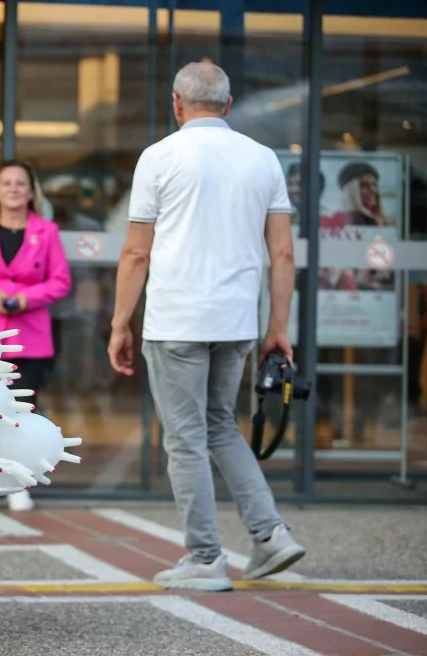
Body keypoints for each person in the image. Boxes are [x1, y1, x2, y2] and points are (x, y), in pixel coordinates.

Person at [107, 62, 306, 591]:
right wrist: (277, 327)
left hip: (177, 319)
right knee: (219, 425)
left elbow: (134, 252)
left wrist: (119, 323)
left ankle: (204, 558)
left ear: (176, 103)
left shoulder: (159, 157)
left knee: (187, 439)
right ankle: (272, 536)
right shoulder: (263, 159)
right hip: (237, 319)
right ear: (229, 104)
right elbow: (283, 251)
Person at [0, 160, 72, 512]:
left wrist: (25, 297)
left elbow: (61, 280)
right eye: (6, 183)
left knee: (20, 412)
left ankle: (17, 481)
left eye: (21, 183)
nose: (14, 189)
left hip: (31, 334)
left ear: (32, 190)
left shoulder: (46, 231)